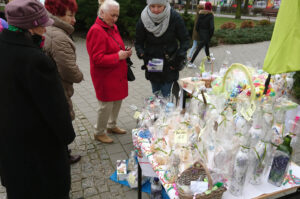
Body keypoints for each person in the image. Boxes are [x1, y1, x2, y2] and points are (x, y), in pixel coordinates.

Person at [0, 0, 75, 198]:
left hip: (9, 144)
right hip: (39, 149)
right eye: (42, 24)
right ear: (32, 27)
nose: (46, 28)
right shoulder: (36, 60)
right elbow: (56, 110)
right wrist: (67, 136)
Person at [86, 0, 131, 143]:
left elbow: (115, 47)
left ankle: (111, 126)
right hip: (105, 76)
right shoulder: (96, 30)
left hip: (117, 73)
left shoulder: (112, 27)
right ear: (102, 13)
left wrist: (124, 53)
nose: (115, 19)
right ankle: (99, 132)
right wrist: (118, 56)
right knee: (105, 105)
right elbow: (97, 59)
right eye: (112, 15)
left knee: (117, 101)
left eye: (117, 15)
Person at [43, 0, 83, 164]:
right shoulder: (58, 36)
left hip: (52, 86)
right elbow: (67, 69)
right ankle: (61, 157)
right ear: (57, 14)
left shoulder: (51, 30)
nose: (74, 19)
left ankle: (61, 154)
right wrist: (80, 75)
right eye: (70, 15)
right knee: (62, 120)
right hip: (58, 88)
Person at [135, 0, 189, 97]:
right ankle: (157, 111)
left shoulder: (174, 17)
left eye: (159, 6)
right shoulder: (144, 18)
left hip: (170, 63)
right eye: (152, 6)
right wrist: (143, 55)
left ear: (165, 5)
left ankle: (166, 111)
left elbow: (185, 41)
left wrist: (178, 59)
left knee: (166, 95)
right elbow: (138, 42)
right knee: (156, 93)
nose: (155, 10)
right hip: (152, 62)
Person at [188, 1, 214, 68]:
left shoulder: (201, 14)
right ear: (210, 8)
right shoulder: (210, 15)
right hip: (206, 35)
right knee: (198, 49)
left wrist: (200, 33)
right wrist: (210, 35)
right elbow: (212, 27)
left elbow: (197, 26)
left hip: (201, 34)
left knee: (207, 47)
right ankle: (191, 62)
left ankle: (208, 59)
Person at [187, 2, 206, 68]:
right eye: (204, 5)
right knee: (200, 45)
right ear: (203, 5)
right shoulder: (202, 12)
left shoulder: (198, 10)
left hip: (196, 31)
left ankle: (189, 56)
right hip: (199, 32)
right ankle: (208, 57)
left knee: (199, 45)